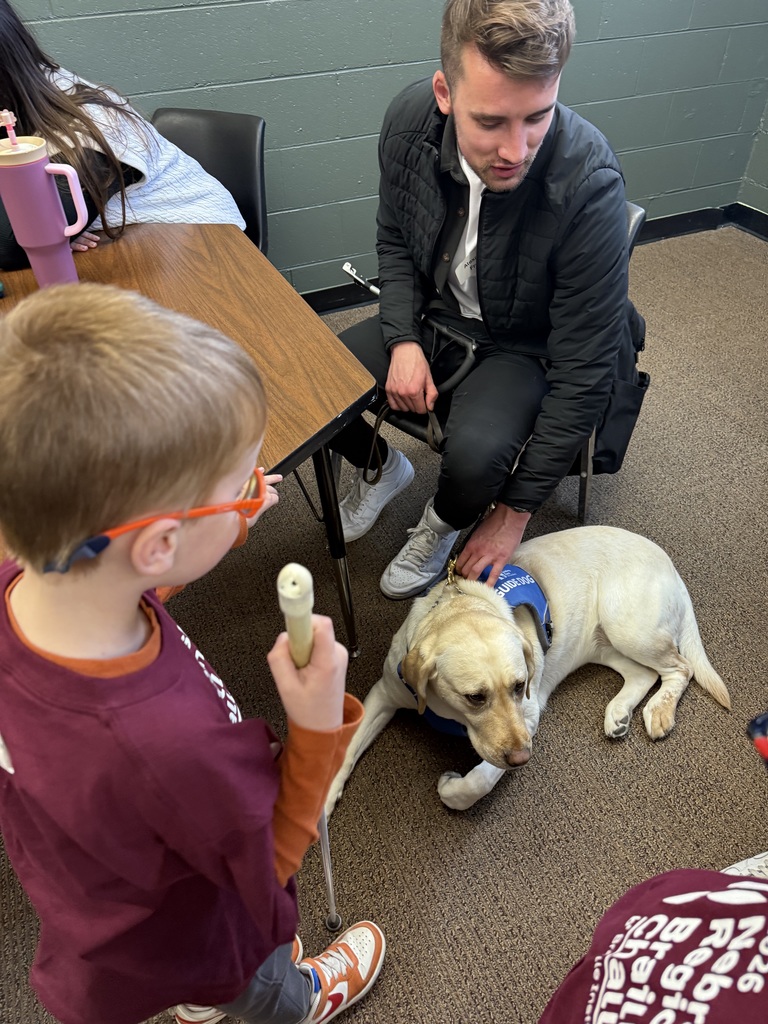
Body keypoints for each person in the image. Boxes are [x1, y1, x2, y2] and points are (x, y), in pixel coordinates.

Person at [0, 283, 385, 1024]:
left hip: (96, 893)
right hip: (206, 922)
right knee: (258, 976)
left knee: (184, 960)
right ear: (160, 545)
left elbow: (126, 582)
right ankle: (295, 1000)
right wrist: (312, 728)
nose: (254, 493)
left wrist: (224, 524)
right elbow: (268, 860)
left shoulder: (34, 578)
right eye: (240, 488)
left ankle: (198, 994)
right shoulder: (165, 745)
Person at [331, 0, 647, 600]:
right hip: (436, 316)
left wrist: (512, 514)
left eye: (537, 117)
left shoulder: (590, 184)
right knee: (316, 385)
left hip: (524, 345)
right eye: (492, 121)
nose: (516, 149)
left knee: (475, 461)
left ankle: (440, 524)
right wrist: (401, 337)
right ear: (445, 93)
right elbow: (395, 238)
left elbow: (585, 371)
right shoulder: (406, 122)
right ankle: (381, 468)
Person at [0, 0, 244, 271]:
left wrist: (46, 230)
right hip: (120, 239)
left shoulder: (89, 121)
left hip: (198, 240)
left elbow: (14, 246)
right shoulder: (19, 96)